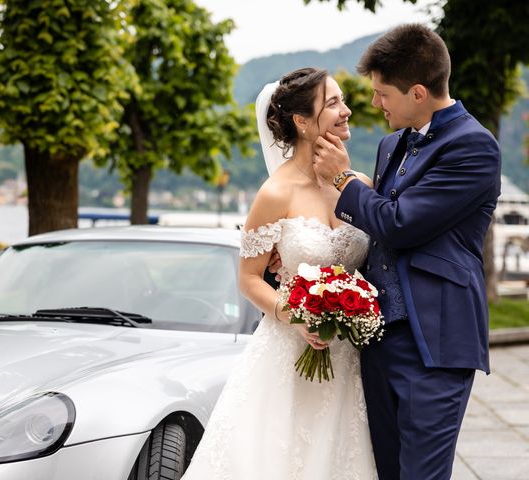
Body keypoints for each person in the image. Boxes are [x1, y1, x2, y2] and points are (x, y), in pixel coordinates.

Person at [311, 24, 501, 480]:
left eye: (383, 94)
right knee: (387, 471)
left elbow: (400, 225)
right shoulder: (389, 144)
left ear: (418, 92)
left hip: (433, 342)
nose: (375, 104)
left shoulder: (474, 147)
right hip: (376, 341)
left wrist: (343, 180)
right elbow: (372, 224)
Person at [181, 67, 378, 480]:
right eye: (333, 103)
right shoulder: (275, 194)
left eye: (342, 100)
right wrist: (296, 314)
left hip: (350, 360)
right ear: (302, 122)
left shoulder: (358, 184)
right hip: (288, 353)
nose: (347, 111)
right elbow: (249, 278)